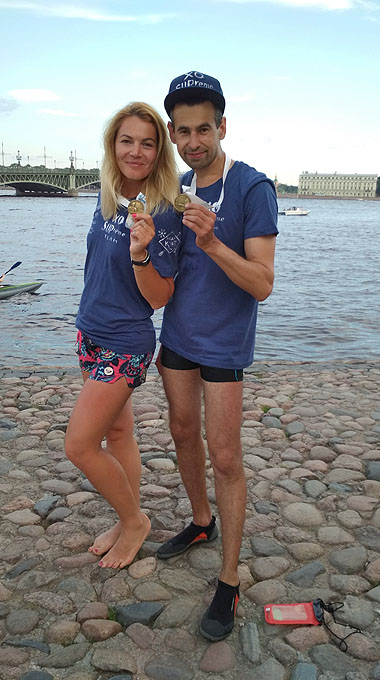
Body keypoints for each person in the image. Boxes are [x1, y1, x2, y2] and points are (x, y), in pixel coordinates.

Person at [156, 71, 278, 641]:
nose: (193, 141)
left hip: (225, 344)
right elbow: (164, 270)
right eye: (183, 131)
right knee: (183, 433)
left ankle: (229, 580)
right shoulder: (176, 189)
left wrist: (211, 242)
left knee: (225, 456)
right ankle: (201, 522)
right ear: (173, 135)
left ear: (222, 126)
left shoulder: (253, 188)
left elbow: (262, 283)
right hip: (177, 337)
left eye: (203, 129)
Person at [64, 102, 181, 569]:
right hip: (90, 331)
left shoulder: (163, 211)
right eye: (127, 140)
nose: (136, 151)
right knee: (118, 432)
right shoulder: (108, 194)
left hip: (125, 341)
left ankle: (135, 523)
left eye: (147, 143)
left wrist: (140, 252)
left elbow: (161, 297)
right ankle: (124, 516)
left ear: (159, 151)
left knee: (79, 445)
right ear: (113, 145)